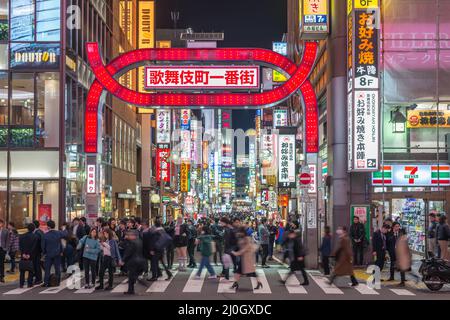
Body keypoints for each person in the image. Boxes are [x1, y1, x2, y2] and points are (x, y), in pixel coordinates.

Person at [41, 220, 68, 287]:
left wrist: (44, 253)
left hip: (48, 254)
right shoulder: (58, 233)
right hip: (57, 254)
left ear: (48, 226)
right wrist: (64, 228)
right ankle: (57, 282)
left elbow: (43, 246)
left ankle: (46, 282)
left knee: (47, 269)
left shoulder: (45, 235)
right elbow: (65, 234)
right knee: (57, 268)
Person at [122, 229, 147, 295]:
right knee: (132, 275)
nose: (128, 236)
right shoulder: (140, 241)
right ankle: (132, 288)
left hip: (133, 261)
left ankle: (131, 289)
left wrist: (123, 260)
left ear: (134, 236)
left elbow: (128, 252)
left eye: (130, 235)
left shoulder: (132, 242)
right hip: (140, 260)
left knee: (131, 276)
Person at [18, 223, 37, 288]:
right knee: (31, 270)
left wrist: (23, 253)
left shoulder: (22, 236)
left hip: (23, 255)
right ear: (34, 229)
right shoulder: (35, 236)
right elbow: (34, 247)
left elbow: (20, 246)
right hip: (31, 255)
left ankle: (21, 284)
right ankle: (29, 283)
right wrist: (29, 254)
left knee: (22, 270)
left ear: (27, 228)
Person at [32, 220, 44, 285]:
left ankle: (38, 279)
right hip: (40, 251)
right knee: (38, 265)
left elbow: (36, 243)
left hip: (36, 252)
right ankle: (38, 278)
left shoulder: (36, 233)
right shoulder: (41, 231)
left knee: (37, 266)